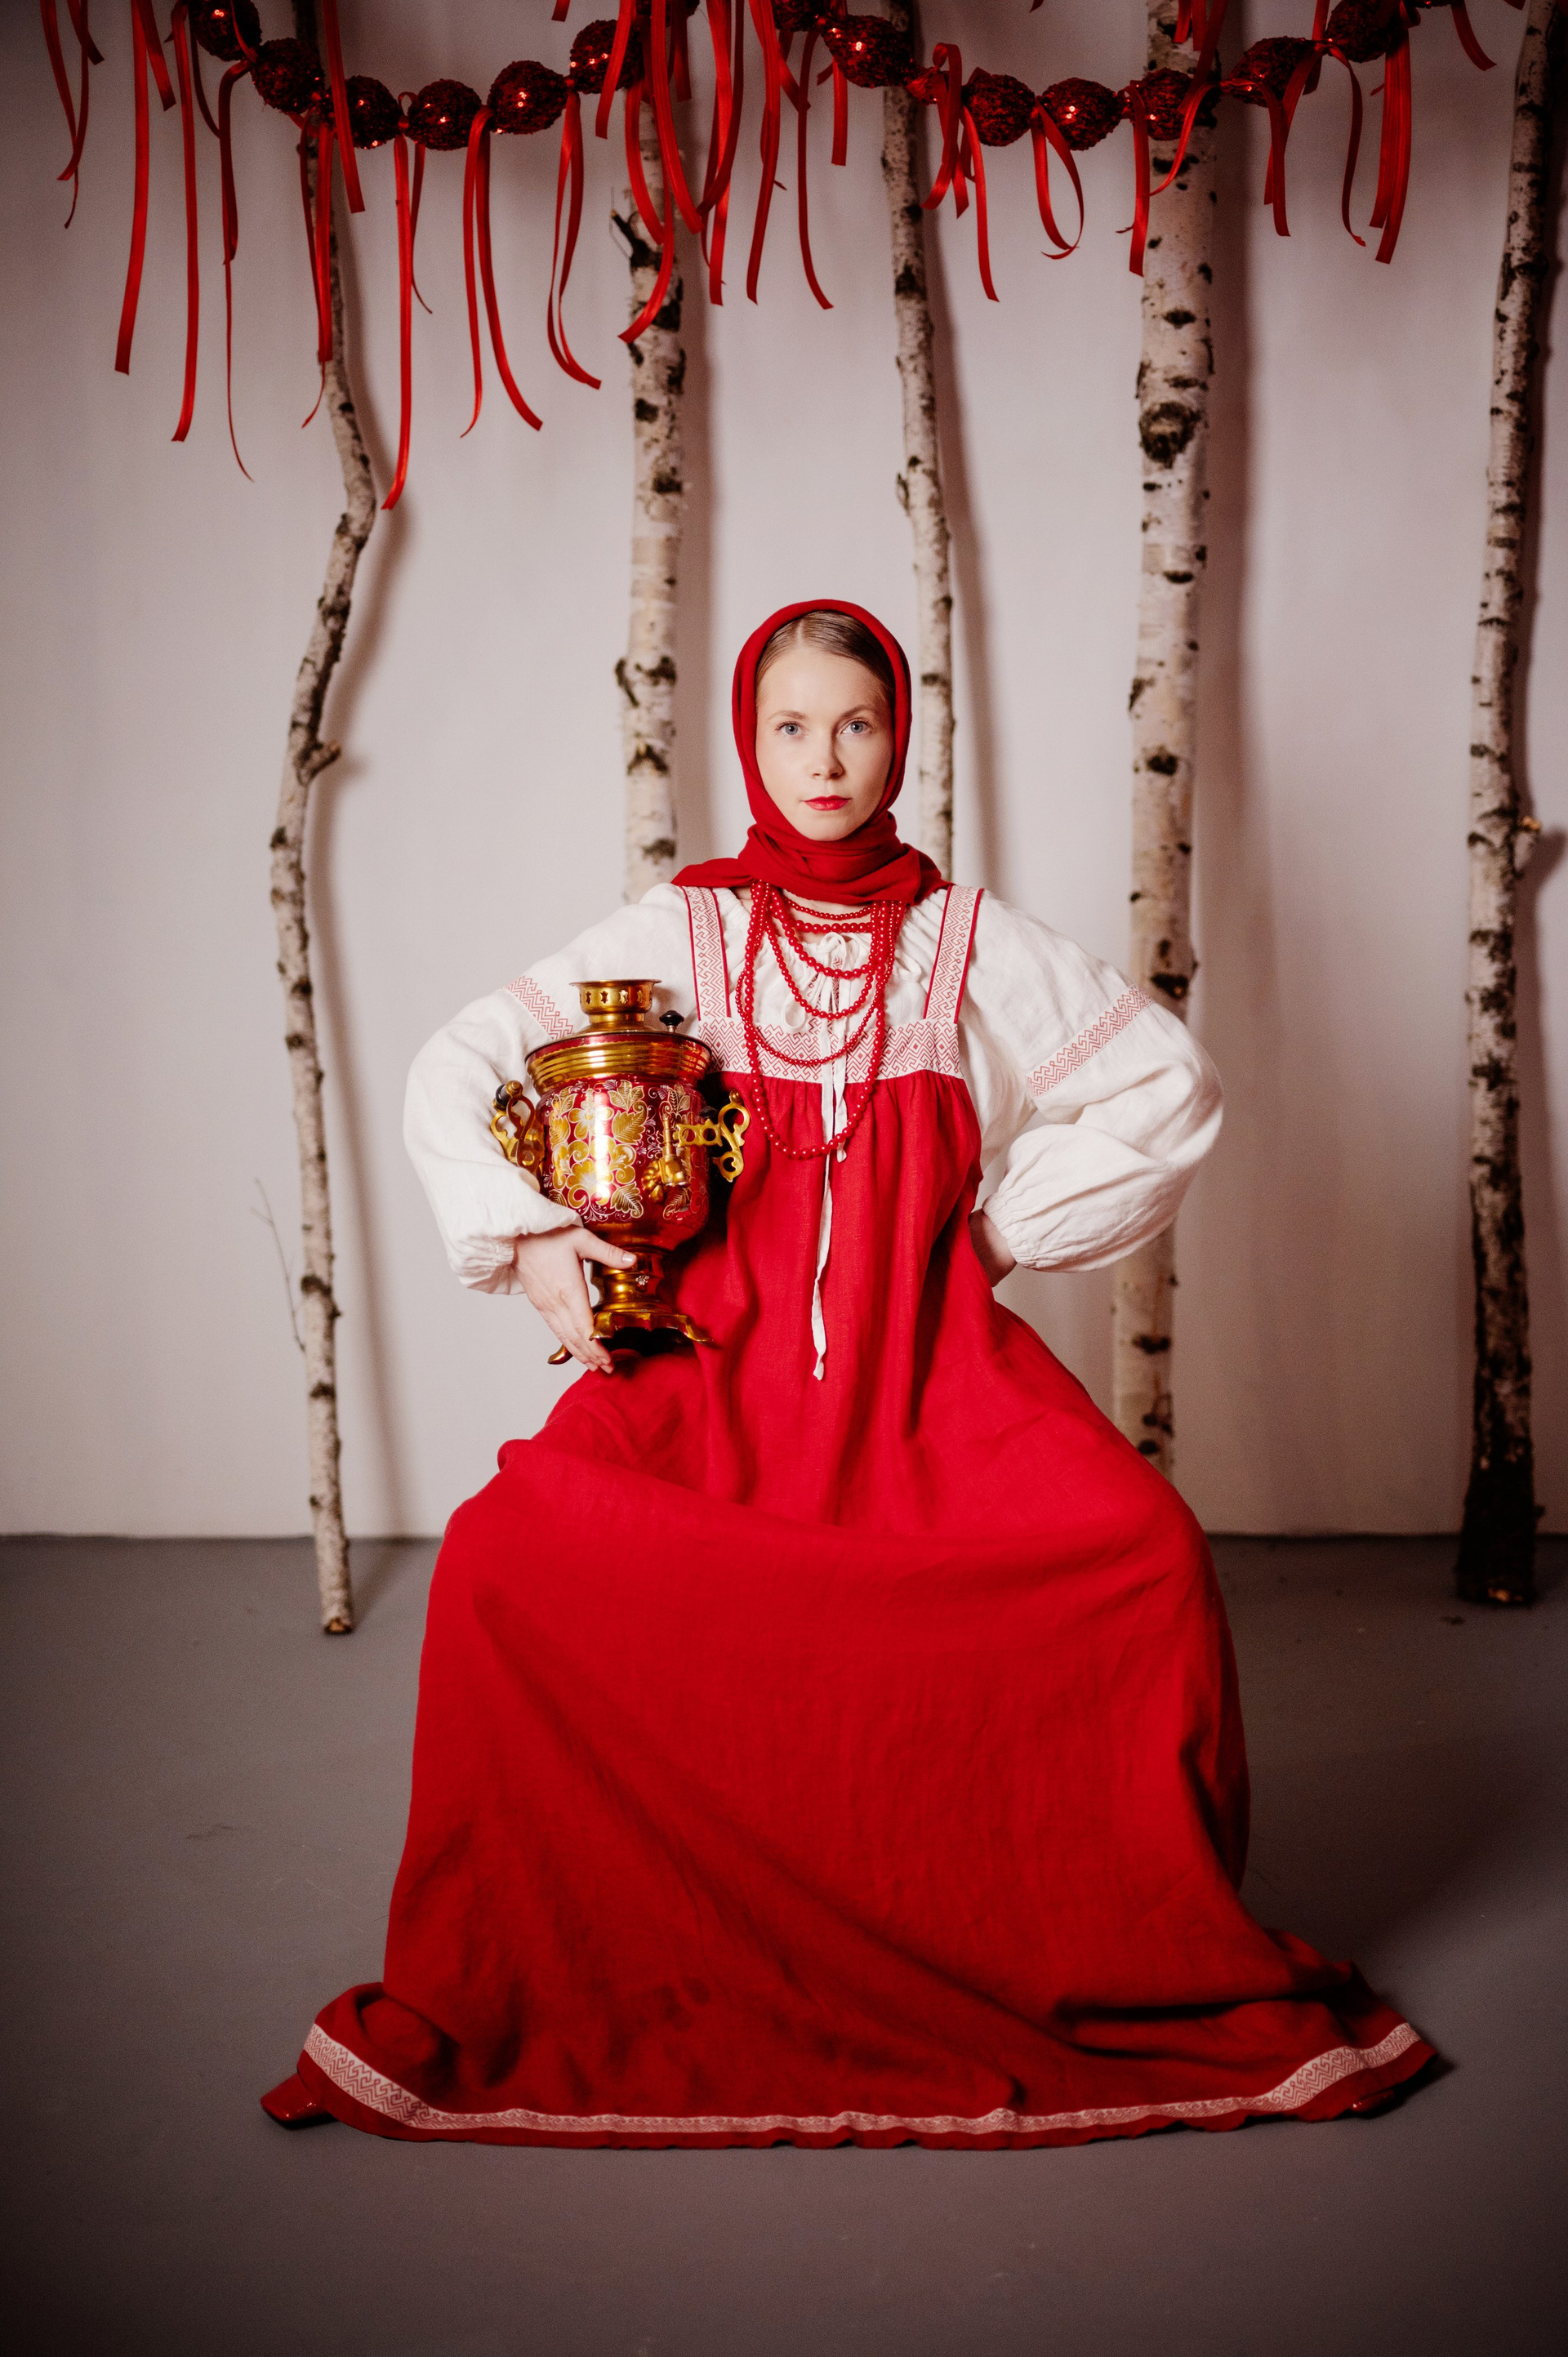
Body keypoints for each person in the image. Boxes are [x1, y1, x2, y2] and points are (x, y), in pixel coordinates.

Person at [262, 600, 1432, 2148]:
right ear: (750, 741)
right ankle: (635, 1933)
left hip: (927, 1377)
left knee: (1143, 1554)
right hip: (707, 1372)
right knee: (497, 1564)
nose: (826, 758)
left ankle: (1075, 1933)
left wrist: (996, 1229)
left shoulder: (963, 940)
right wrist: (530, 1234)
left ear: (900, 738)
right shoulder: (681, 932)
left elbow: (1170, 1082)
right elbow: (456, 1063)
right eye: (793, 727)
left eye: (859, 724)